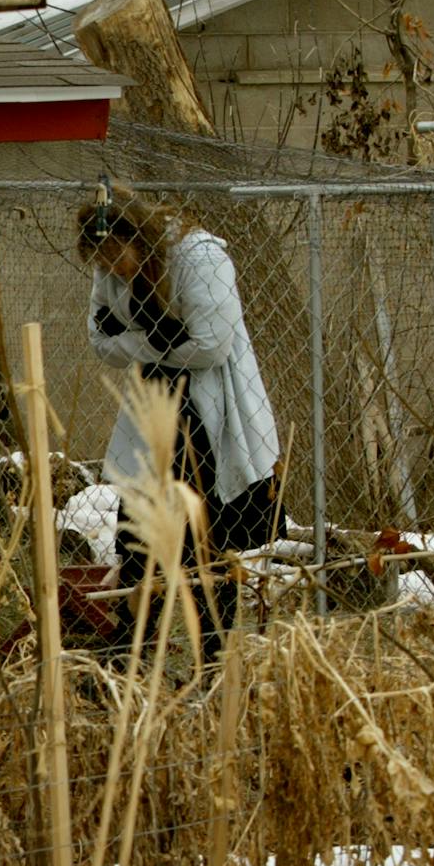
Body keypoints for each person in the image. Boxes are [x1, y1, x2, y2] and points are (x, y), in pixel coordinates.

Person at [77, 184, 281, 657]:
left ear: (140, 238)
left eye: (116, 259)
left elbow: (212, 344)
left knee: (207, 531)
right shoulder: (108, 268)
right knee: (139, 527)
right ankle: (132, 648)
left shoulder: (199, 257)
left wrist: (136, 337)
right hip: (153, 403)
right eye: (101, 264)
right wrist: (162, 339)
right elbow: (99, 342)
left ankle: (212, 650)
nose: (111, 272)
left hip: (210, 409)